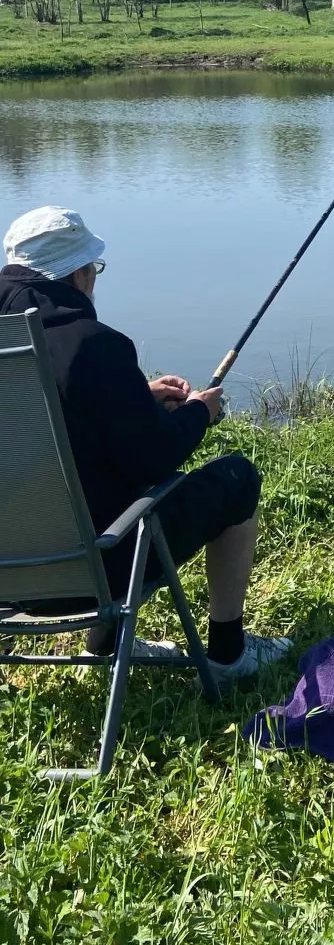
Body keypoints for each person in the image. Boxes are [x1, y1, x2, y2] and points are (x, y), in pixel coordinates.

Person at [0, 205, 291, 680]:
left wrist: (135, 396)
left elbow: (41, 418)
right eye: (93, 269)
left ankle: (107, 642)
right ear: (78, 274)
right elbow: (152, 459)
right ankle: (227, 655)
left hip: (5, 582)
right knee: (237, 479)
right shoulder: (92, 343)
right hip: (86, 576)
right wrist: (199, 412)